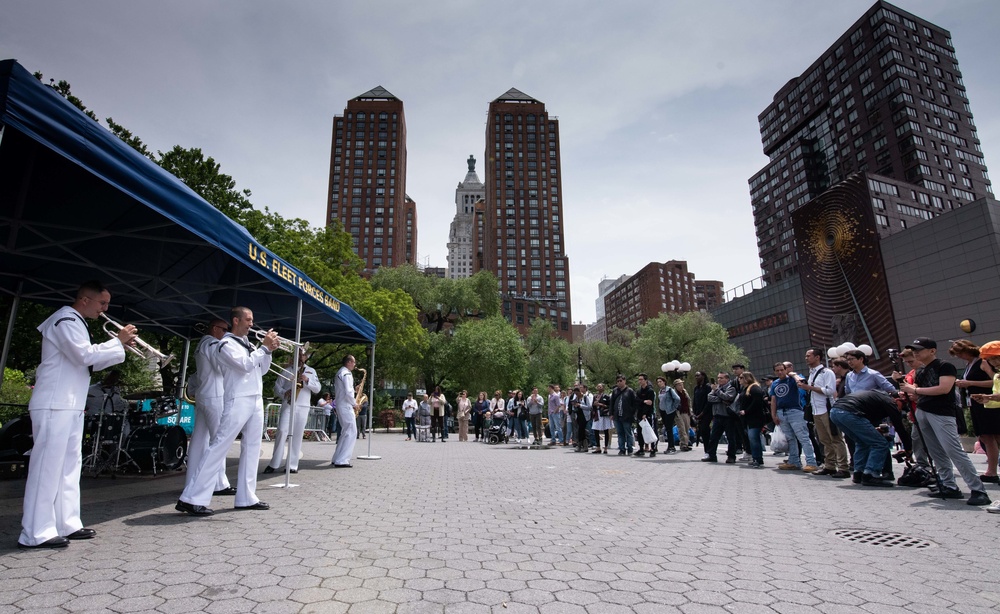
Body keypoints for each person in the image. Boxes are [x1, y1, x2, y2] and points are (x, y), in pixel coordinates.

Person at [18, 281, 136, 549]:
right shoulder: (64, 319)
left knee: (70, 465)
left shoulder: (76, 322)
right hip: (54, 402)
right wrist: (116, 342)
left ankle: (66, 522)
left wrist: (118, 348)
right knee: (47, 467)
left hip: (69, 403)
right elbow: (83, 355)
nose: (105, 310)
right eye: (102, 304)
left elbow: (89, 363)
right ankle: (35, 532)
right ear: (84, 300)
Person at [177, 306, 279, 516]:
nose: (252, 324)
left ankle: (246, 497)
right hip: (238, 398)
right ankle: (191, 497)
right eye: (248, 320)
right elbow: (244, 365)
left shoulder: (248, 343)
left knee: (252, 448)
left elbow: (262, 369)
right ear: (236, 320)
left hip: (255, 398)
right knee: (219, 446)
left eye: (252, 320)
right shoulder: (225, 344)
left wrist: (268, 351)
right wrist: (263, 349)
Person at [899, 338, 991, 506]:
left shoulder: (944, 366)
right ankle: (948, 485)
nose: (916, 353)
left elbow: (944, 388)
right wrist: (907, 390)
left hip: (942, 413)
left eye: (919, 349)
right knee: (935, 452)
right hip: (923, 411)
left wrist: (915, 390)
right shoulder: (920, 370)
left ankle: (978, 490)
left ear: (932, 351)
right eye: (914, 350)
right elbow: (919, 393)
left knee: (953, 450)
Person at [185, 318, 234, 500]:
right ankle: (220, 483)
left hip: (204, 395)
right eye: (224, 329)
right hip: (214, 395)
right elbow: (221, 367)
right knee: (219, 440)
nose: (226, 332)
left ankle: (192, 479)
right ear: (215, 329)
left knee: (198, 441)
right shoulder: (213, 343)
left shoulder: (201, 344)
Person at [829, 390, 912, 487]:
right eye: (902, 405)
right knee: (880, 444)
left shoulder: (878, 396)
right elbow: (899, 427)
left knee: (862, 442)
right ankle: (871, 474)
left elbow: (866, 417)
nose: (900, 409)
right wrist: (908, 448)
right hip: (849, 413)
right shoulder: (890, 402)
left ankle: (858, 473)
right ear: (897, 400)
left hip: (835, 412)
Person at [264, 349, 320, 474]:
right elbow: (277, 387)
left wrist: (307, 381)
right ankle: (274, 463)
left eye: (303, 355)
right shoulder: (287, 370)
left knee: (297, 434)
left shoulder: (311, 371)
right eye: (299, 354)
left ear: (305, 357)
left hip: (303, 405)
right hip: (289, 404)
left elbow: (317, 389)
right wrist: (284, 393)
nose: (301, 357)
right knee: (282, 431)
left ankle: (292, 464)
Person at [798, 347, 850, 478]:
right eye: (805, 356)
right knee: (824, 440)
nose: (806, 358)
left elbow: (829, 390)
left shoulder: (827, 372)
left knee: (835, 438)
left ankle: (843, 467)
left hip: (827, 409)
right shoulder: (812, 372)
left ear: (817, 357)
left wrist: (809, 388)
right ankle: (830, 466)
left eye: (808, 356)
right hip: (816, 410)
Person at [951, 340, 998, 484]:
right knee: (985, 437)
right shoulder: (970, 365)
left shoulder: (983, 362)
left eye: (960, 353)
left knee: (991, 436)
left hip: (990, 403)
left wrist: (970, 383)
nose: (959, 357)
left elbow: (994, 382)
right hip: (978, 403)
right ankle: (992, 470)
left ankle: (992, 471)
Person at [770, 362, 818, 472]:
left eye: (782, 369)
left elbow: (801, 383)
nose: (780, 372)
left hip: (795, 411)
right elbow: (773, 400)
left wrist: (793, 374)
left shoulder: (792, 379)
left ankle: (811, 462)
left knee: (803, 437)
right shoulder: (775, 383)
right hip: (781, 412)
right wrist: (773, 415)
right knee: (790, 438)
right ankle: (794, 461)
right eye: (777, 370)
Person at [704, 372, 738, 463]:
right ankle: (711, 455)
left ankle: (731, 456)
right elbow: (709, 397)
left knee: (730, 437)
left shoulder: (731, 388)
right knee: (714, 437)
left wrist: (718, 392)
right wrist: (721, 399)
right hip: (717, 416)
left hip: (728, 417)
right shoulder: (716, 388)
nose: (719, 380)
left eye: (721, 378)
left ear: (727, 379)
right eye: (718, 378)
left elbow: (728, 397)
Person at [331, 355, 359, 464]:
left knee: (345, 432)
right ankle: (342, 460)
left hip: (341, 404)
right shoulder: (347, 373)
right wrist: (354, 403)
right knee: (351, 432)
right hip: (346, 405)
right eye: (354, 362)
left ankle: (337, 457)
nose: (354, 365)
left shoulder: (340, 372)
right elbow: (348, 391)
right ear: (349, 362)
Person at [738, 372, 768, 468]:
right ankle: (757, 458)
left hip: (755, 419)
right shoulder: (746, 388)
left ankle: (757, 459)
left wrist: (746, 411)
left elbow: (757, 403)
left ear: (747, 378)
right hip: (748, 419)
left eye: (742, 377)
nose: (740, 379)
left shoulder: (754, 388)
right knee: (753, 439)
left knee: (754, 439)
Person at [611, 375, 636, 456]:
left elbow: (634, 403)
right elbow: (611, 403)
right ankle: (621, 449)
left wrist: (632, 413)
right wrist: (611, 413)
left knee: (628, 433)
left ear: (625, 381)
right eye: (617, 381)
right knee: (620, 433)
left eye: (621, 381)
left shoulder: (630, 391)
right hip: (617, 416)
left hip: (627, 416)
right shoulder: (615, 391)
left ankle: (630, 449)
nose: (619, 382)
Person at [655, 376, 680, 453]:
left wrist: (673, 407)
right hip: (663, 411)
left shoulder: (669, 390)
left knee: (669, 429)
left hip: (669, 411)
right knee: (667, 428)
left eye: (661, 381)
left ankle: (671, 447)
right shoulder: (660, 391)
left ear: (664, 382)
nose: (659, 383)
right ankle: (670, 446)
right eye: (658, 382)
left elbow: (677, 399)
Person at [634, 374, 657, 457]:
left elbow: (650, 403)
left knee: (650, 431)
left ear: (645, 380)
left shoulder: (650, 391)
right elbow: (636, 401)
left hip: (648, 414)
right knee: (640, 432)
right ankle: (641, 448)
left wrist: (645, 414)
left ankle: (653, 449)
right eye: (639, 379)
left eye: (641, 379)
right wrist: (643, 401)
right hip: (639, 414)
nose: (640, 381)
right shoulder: (638, 391)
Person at [591, 383, 613, 454]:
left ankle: (606, 447)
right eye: (598, 386)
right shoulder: (595, 396)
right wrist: (594, 405)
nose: (599, 388)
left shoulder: (606, 396)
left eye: (600, 387)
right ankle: (598, 447)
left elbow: (609, 406)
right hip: (597, 414)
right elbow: (592, 405)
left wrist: (601, 404)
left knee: (606, 430)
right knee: (596, 430)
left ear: (603, 388)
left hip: (603, 414)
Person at [692, 371, 711, 449]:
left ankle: (709, 450)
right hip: (698, 413)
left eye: (698, 375)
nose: (696, 377)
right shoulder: (696, 388)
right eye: (695, 376)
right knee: (702, 431)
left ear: (703, 376)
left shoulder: (707, 387)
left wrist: (702, 413)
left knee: (705, 430)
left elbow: (709, 401)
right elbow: (694, 401)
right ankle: (707, 450)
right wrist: (694, 413)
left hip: (706, 413)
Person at [673, 379, 693, 452]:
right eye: (679, 385)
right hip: (678, 412)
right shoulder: (674, 393)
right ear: (675, 386)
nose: (681, 386)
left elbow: (689, 401)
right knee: (681, 428)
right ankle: (683, 444)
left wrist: (690, 410)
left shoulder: (685, 391)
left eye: (682, 384)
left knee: (687, 427)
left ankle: (686, 443)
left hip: (686, 412)